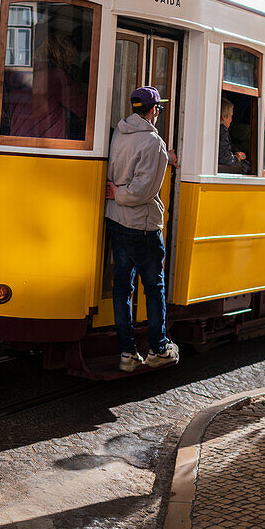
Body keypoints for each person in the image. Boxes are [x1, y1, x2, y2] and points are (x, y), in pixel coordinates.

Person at [104, 85, 179, 372]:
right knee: (154, 287)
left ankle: (127, 354)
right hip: (142, 227)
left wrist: (115, 194)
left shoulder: (118, 134)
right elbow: (141, 192)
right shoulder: (153, 143)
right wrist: (120, 193)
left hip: (116, 221)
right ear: (154, 110)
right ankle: (159, 348)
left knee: (123, 288)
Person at [218, 96, 249, 174]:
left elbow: (230, 147)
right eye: (231, 116)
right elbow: (226, 159)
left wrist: (237, 153)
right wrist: (237, 158)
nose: (231, 120)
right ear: (224, 117)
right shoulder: (222, 131)